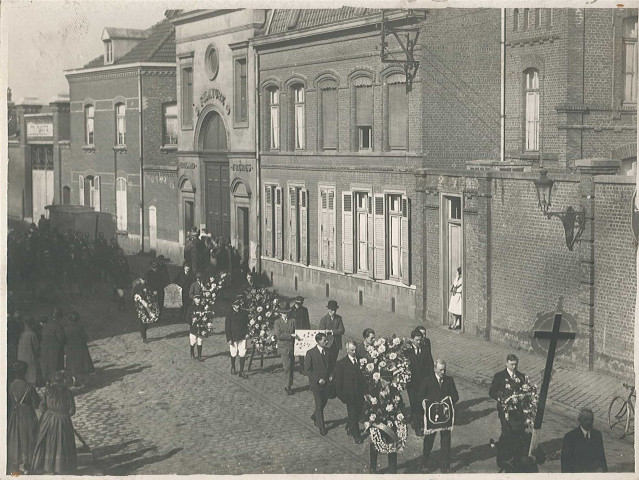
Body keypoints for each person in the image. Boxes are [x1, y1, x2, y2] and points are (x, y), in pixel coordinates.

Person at [31, 370, 77, 474]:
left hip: (48, 419)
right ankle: (61, 468)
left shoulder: (48, 390)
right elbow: (72, 411)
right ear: (64, 380)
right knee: (62, 444)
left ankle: (47, 466)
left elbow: (42, 408)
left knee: (48, 443)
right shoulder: (68, 393)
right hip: (63, 420)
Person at [419, 359, 459, 473]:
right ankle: (424, 461)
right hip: (432, 418)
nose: (443, 372)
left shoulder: (449, 380)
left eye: (444, 369)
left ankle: (445, 466)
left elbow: (455, 396)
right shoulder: (427, 380)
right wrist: (427, 403)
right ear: (435, 369)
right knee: (429, 440)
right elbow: (420, 396)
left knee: (446, 440)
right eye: (441, 370)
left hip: (445, 417)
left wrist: (447, 402)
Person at [7, 361, 41, 474]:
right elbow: (36, 403)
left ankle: (16, 465)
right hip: (27, 415)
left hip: (14, 415)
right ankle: (28, 465)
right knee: (29, 438)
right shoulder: (28, 387)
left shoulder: (10, 385)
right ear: (24, 373)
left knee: (16, 438)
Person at [332, 340, 366, 444]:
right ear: (347, 350)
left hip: (360, 393)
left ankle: (350, 427)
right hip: (350, 395)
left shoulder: (361, 360)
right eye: (352, 350)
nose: (354, 352)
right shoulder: (341, 364)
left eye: (355, 350)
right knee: (353, 415)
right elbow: (338, 382)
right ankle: (357, 435)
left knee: (360, 413)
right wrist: (342, 396)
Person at [305, 332, 335, 436]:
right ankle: (321, 426)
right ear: (318, 341)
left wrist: (331, 375)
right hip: (316, 384)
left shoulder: (328, 351)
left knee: (324, 402)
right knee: (318, 404)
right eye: (324, 340)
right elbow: (307, 370)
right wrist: (318, 379)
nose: (326, 341)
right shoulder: (311, 353)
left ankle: (315, 416)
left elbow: (332, 366)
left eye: (326, 339)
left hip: (327, 383)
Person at [405, 328, 434, 436]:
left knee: (421, 404)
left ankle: (420, 424)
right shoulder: (407, 352)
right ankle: (417, 426)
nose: (419, 342)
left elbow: (430, 365)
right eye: (417, 340)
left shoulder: (425, 350)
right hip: (412, 384)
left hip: (423, 383)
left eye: (420, 340)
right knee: (414, 404)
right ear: (412, 339)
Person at [560, 408, 607, 473]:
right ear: (579, 420)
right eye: (585, 419)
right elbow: (565, 463)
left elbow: (602, 458)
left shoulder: (597, 435)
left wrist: (602, 471)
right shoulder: (570, 437)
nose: (589, 422)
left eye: (591, 420)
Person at [489, 354, 527, 434]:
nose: (514, 367)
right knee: (506, 430)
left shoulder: (521, 376)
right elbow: (492, 392)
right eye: (512, 364)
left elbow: (524, 390)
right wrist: (501, 399)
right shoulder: (499, 376)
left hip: (517, 409)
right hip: (504, 409)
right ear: (506, 363)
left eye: (516, 364)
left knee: (517, 430)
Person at [63, 312, 94, 387]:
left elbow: (63, 340)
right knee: (83, 364)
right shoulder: (79, 327)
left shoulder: (65, 329)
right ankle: (84, 381)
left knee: (72, 365)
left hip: (70, 350)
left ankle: (75, 379)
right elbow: (85, 337)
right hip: (81, 349)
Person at [274, 300, 297, 395]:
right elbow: (279, 335)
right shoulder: (277, 322)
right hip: (283, 348)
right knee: (287, 366)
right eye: (284, 313)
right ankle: (287, 386)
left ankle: (289, 384)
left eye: (287, 313)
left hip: (292, 347)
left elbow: (296, 331)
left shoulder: (292, 321)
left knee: (291, 366)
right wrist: (291, 336)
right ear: (280, 313)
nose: (285, 315)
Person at [40, 309, 66, 384]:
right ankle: (57, 383)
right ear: (60, 317)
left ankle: (49, 382)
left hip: (45, 350)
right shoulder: (58, 326)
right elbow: (61, 339)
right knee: (56, 367)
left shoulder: (46, 325)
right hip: (55, 350)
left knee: (48, 366)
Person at [225, 301, 249, 378]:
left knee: (243, 353)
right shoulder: (229, 314)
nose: (237, 306)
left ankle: (241, 371)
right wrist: (229, 338)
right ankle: (233, 367)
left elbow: (247, 324)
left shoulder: (243, 313)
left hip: (242, 336)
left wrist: (247, 333)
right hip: (233, 337)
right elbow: (227, 328)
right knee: (233, 353)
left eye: (238, 305)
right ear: (233, 305)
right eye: (236, 305)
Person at [17, 317, 43, 387]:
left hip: (21, 358)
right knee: (31, 378)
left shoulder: (21, 334)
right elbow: (37, 348)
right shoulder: (32, 334)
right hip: (30, 359)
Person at [318, 300, 345, 367]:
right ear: (328, 309)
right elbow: (320, 333)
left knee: (334, 360)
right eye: (332, 309)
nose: (334, 311)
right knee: (327, 360)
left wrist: (331, 331)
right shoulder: (323, 319)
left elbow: (342, 330)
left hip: (336, 343)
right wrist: (325, 333)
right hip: (327, 344)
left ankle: (333, 375)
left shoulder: (339, 318)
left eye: (335, 309)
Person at [132, 275, 158, 344]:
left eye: (144, 279)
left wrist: (153, 297)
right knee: (142, 322)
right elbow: (133, 297)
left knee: (147, 322)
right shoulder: (137, 287)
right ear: (140, 279)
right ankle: (144, 337)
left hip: (148, 307)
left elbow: (153, 295)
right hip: (141, 308)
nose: (143, 281)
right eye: (142, 279)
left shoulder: (149, 286)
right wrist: (137, 302)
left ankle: (142, 330)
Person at [291, 296, 310, 371]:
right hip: (294, 332)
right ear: (295, 302)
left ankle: (302, 367)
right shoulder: (291, 310)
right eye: (298, 304)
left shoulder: (304, 310)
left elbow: (307, 321)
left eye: (300, 304)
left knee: (301, 351)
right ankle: (292, 366)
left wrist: (308, 331)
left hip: (302, 332)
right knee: (293, 350)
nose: (299, 305)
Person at [186, 295, 206, 361]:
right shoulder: (190, 308)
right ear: (194, 299)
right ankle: (192, 352)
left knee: (200, 340)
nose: (198, 300)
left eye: (199, 299)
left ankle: (199, 355)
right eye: (197, 299)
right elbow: (187, 317)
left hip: (200, 327)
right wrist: (191, 323)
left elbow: (205, 315)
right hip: (193, 327)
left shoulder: (202, 307)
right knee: (193, 341)